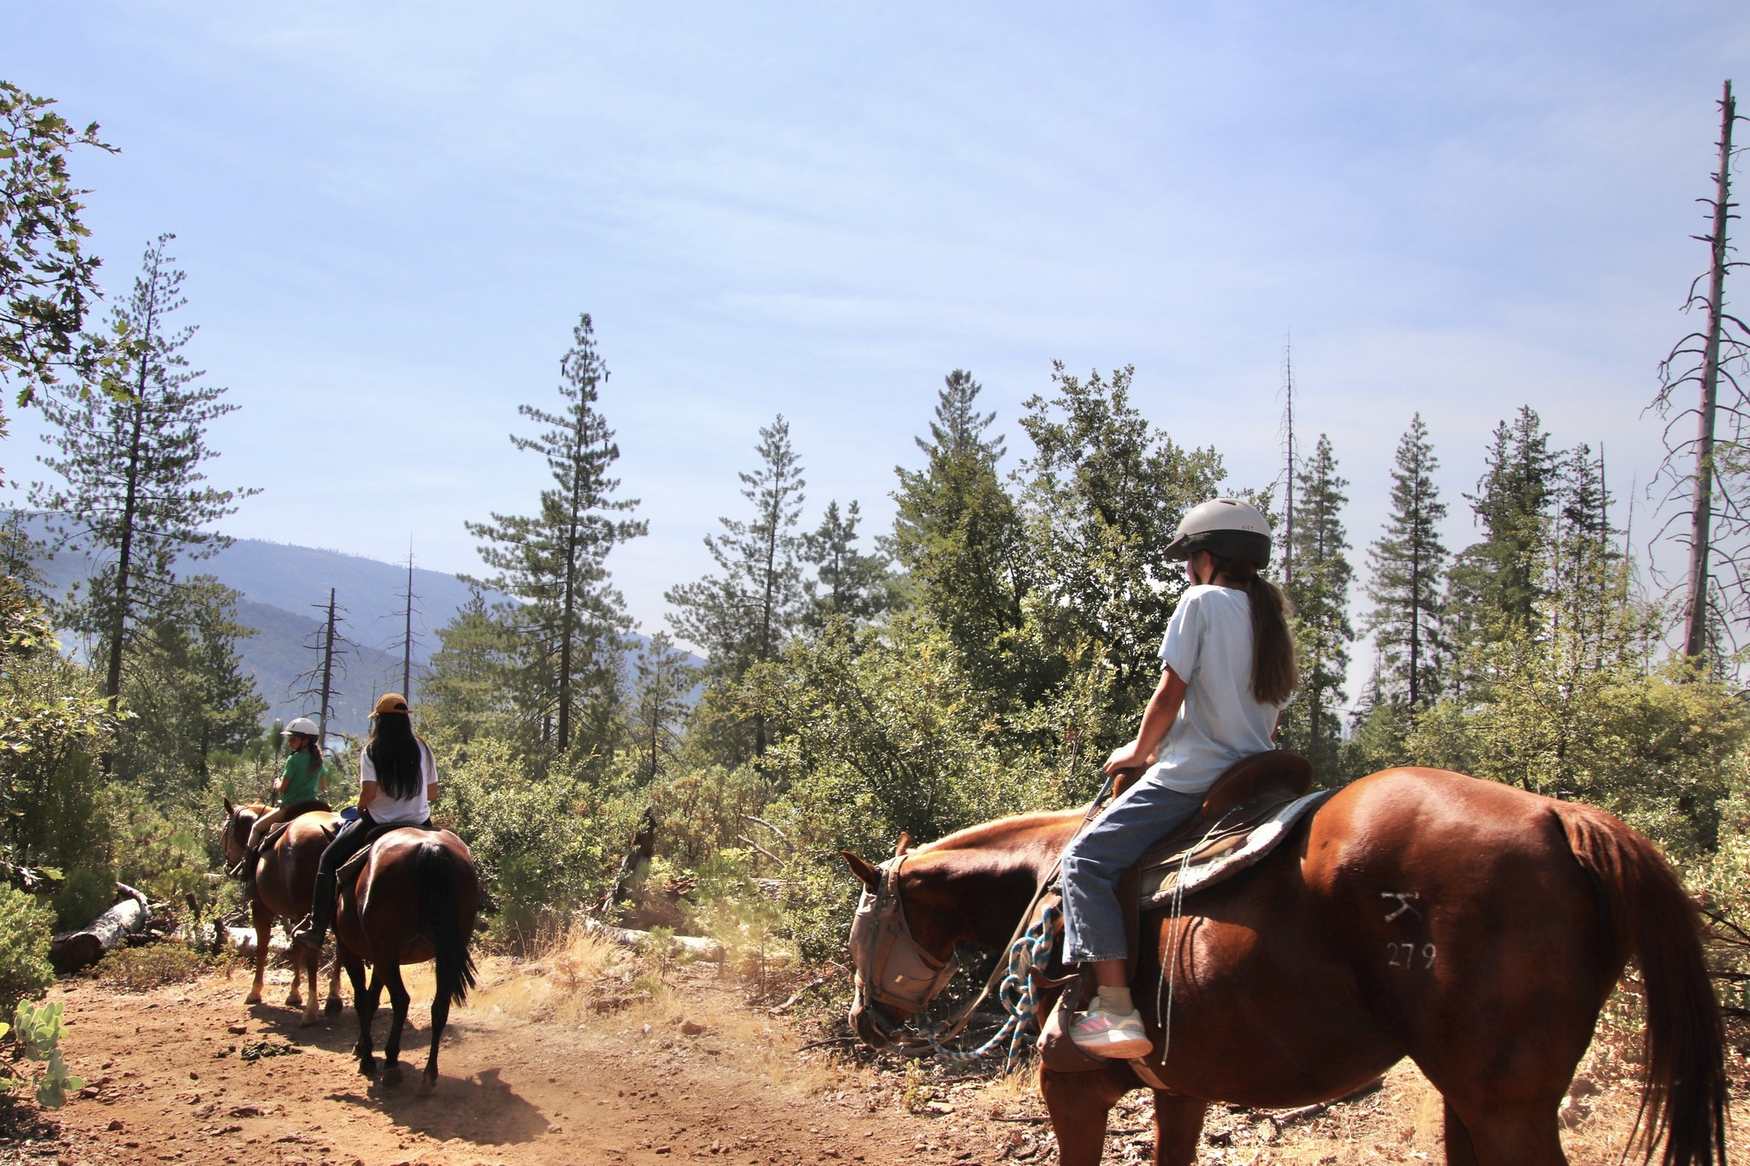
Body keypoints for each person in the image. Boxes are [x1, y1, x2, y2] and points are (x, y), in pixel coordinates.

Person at [1062, 499, 1297, 1058]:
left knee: (1085, 862)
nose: (1187, 570)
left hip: (1194, 774)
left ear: (1207, 558)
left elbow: (1170, 692)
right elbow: (1272, 710)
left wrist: (1140, 752)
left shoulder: (1200, 602)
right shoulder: (1268, 616)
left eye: (1189, 558)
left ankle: (1115, 1009)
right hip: (1256, 772)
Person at [291, 693, 439, 950]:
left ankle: (316, 930)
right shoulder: (422, 747)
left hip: (379, 821)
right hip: (420, 821)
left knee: (327, 860)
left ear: (379, 721)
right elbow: (433, 792)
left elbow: (369, 793)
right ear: (406, 720)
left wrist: (360, 806)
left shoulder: (372, 749)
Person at [244, 717, 327, 854]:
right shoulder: (318, 760)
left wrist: (277, 783)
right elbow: (323, 786)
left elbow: (283, 788)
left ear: (305, 740)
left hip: (291, 807)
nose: (289, 742)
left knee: (257, 828)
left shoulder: (293, 759)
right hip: (312, 806)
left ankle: (246, 866)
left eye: (293, 739)